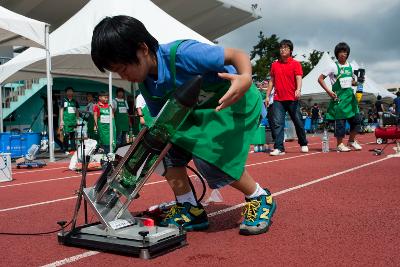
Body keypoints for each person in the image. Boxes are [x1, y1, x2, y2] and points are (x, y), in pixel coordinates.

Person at [91, 15, 276, 236]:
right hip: (200, 113)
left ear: (142, 49)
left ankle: (259, 196)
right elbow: (166, 121)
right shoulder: (146, 84)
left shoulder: (183, 54)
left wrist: (245, 77)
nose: (123, 76)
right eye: (117, 72)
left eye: (123, 68)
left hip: (237, 103)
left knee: (209, 157)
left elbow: (238, 55)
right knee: (164, 148)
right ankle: (189, 207)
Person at [266, 39, 309, 156]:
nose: (282, 49)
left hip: (292, 98)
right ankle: (279, 148)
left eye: (285, 48)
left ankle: (303, 143)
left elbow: (299, 78)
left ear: (290, 50)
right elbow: (271, 81)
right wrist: (267, 95)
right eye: (281, 47)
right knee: (277, 123)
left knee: (298, 121)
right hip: (278, 99)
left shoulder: (296, 64)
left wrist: (298, 89)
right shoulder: (275, 65)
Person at [317, 42, 362, 152]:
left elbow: (353, 82)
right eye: (341, 52)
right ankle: (340, 144)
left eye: (345, 52)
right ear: (337, 54)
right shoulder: (333, 66)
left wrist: (358, 82)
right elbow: (320, 79)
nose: (343, 54)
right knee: (340, 122)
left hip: (351, 99)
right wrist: (328, 92)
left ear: (348, 54)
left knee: (357, 120)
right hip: (339, 99)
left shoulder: (351, 67)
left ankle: (351, 141)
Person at [59, 87, 79, 154]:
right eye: (68, 91)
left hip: (73, 121)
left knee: (73, 135)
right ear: (66, 93)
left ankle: (73, 149)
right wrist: (61, 120)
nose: (70, 93)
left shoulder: (75, 101)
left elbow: (77, 111)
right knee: (66, 135)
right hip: (66, 121)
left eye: (71, 91)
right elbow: (61, 110)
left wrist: (77, 119)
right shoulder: (64, 100)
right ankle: (66, 149)